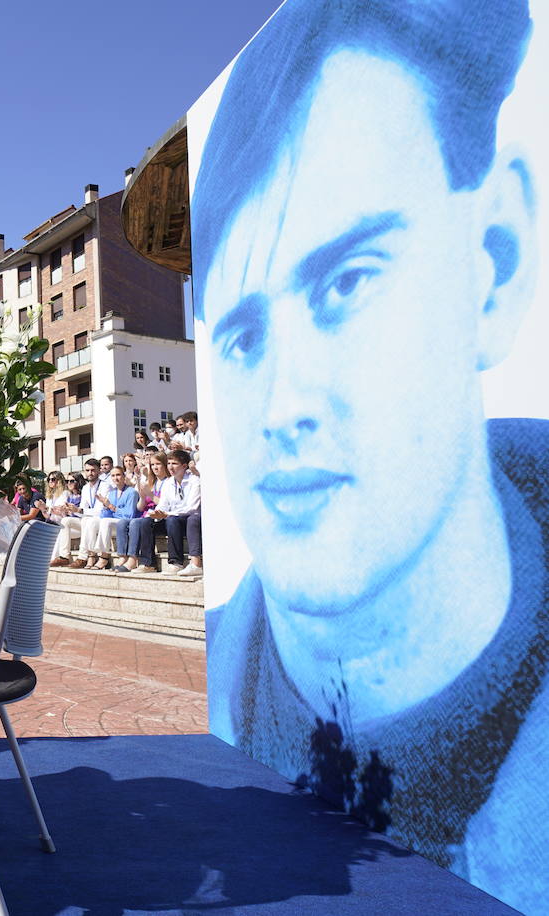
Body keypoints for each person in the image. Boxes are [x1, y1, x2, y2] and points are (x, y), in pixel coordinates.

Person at [192, 1, 543, 910]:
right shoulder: (222, 682)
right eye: (240, 337)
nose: (284, 406)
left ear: (494, 259)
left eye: (348, 281)